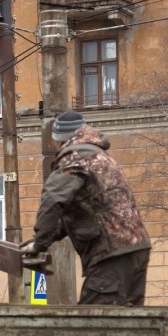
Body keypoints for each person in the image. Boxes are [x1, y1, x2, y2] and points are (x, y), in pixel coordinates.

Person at [20, 110, 151, 306]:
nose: (55, 146)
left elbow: (53, 199)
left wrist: (40, 243)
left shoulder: (75, 157)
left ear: (60, 139)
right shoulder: (99, 156)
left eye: (55, 141)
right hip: (136, 249)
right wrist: (45, 238)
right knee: (127, 327)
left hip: (111, 254)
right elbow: (86, 211)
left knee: (91, 327)